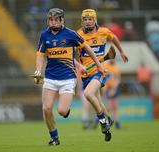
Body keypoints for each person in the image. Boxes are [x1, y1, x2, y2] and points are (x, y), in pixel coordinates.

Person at [32, 8, 106, 146]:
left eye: (55, 20)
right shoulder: (44, 35)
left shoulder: (71, 34)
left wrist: (98, 65)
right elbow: (40, 55)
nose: (52, 22)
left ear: (62, 20)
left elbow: (87, 49)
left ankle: (66, 111)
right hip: (50, 78)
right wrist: (38, 71)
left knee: (62, 111)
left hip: (67, 78)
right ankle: (54, 137)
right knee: (46, 108)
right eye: (50, 20)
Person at [75, 9, 128, 141]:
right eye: (85, 19)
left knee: (88, 94)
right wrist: (78, 65)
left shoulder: (103, 32)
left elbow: (114, 38)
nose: (87, 22)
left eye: (90, 19)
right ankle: (108, 119)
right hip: (86, 74)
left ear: (95, 20)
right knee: (98, 101)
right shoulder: (78, 35)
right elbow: (70, 54)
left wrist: (121, 51)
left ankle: (103, 121)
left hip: (100, 72)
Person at [101, 60, 121, 129]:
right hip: (108, 89)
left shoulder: (116, 67)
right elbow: (104, 77)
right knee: (108, 107)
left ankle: (117, 122)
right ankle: (106, 121)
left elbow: (118, 78)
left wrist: (115, 86)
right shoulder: (106, 66)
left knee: (115, 106)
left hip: (114, 88)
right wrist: (104, 89)